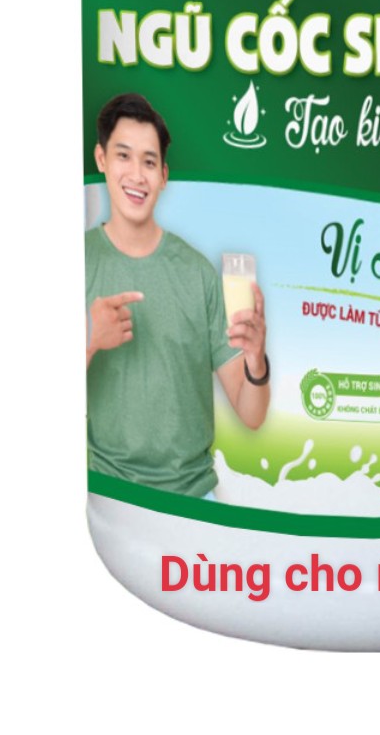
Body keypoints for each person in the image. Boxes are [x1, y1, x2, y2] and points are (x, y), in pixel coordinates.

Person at [85, 92, 269, 497]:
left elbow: (251, 414)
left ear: (164, 176)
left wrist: (257, 360)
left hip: (195, 497)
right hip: (112, 495)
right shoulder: (80, 262)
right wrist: (89, 336)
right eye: (123, 156)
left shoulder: (197, 273)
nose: (137, 175)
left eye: (149, 162)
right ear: (101, 159)